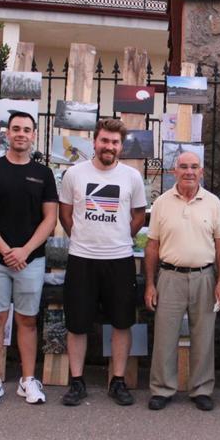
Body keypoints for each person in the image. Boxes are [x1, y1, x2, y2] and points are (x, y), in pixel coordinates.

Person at [58, 118, 147, 407]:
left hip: (119, 259)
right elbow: (65, 214)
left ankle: (117, 381)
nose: (109, 146)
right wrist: (83, 237)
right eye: (104, 141)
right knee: (77, 324)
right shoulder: (74, 174)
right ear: (95, 141)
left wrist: (120, 236)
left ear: (121, 146)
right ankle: (77, 381)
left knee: (122, 323)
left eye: (115, 142)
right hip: (82, 258)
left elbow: (139, 216)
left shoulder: (132, 177)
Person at [0, 112, 59, 406]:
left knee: (27, 321)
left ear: (34, 134)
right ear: (7, 134)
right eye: (16, 129)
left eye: (26, 129)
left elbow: (50, 220)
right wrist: (7, 250)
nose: (21, 133)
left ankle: (27, 381)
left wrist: (23, 251)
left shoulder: (44, 174)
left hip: (30, 260)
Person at [144, 151, 220, 411]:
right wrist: (149, 283)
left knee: (203, 337)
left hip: (204, 277)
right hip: (169, 277)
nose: (189, 172)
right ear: (174, 171)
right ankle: (162, 389)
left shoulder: (213, 203)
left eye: (194, 167)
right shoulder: (161, 203)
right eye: (183, 167)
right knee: (165, 336)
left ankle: (201, 389)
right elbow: (152, 246)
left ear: (201, 171)